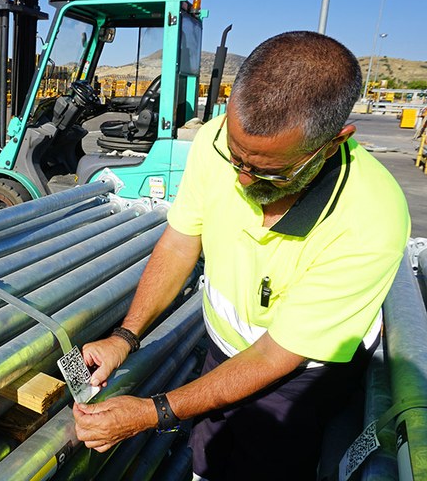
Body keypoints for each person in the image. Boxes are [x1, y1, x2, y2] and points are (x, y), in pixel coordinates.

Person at [72, 31, 410, 480]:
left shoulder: (369, 216)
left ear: (332, 143)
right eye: (238, 159)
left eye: (269, 170)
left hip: (297, 380)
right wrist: (125, 336)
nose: (245, 179)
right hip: (224, 349)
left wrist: (153, 413)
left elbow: (275, 357)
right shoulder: (215, 141)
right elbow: (179, 241)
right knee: (208, 456)